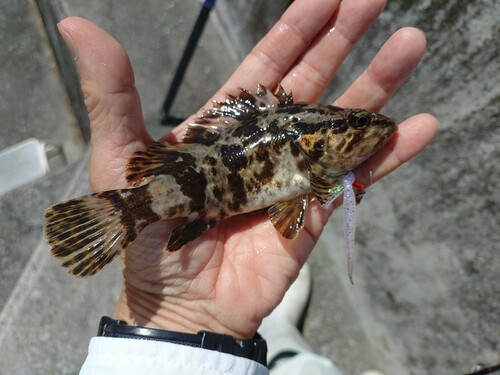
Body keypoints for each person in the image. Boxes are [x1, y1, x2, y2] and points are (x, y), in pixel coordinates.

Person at [57, 0, 438, 373]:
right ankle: (288, 346)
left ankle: (285, 343)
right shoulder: (308, 151)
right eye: (355, 124)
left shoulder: (311, 154)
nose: (369, 130)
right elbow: (293, 211)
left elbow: (292, 210)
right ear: (316, 143)